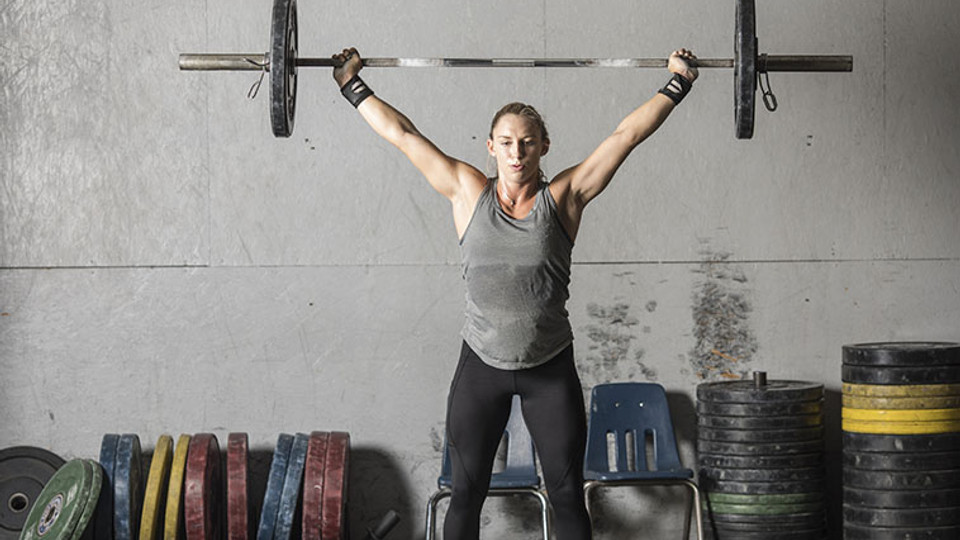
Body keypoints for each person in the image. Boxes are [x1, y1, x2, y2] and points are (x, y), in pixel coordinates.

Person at [331, 46, 698, 540]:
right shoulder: (466, 191)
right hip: (481, 368)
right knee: (466, 495)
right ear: (491, 147)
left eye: (527, 143)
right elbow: (404, 135)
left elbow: (625, 137)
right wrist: (352, 86)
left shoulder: (565, 197)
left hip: (550, 369)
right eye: (506, 143)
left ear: (544, 146)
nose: (517, 153)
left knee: (567, 497)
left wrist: (677, 84)